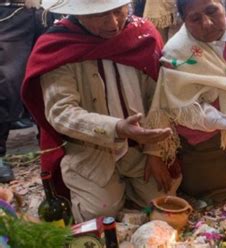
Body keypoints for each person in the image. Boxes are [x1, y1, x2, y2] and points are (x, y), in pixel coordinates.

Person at [21, 0, 180, 222]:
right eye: (99, 15)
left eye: (118, 11)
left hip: (140, 147)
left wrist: (154, 152)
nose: (113, 22)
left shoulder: (143, 35)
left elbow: (158, 98)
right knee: (98, 213)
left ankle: (127, 189)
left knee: (163, 200)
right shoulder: (58, 46)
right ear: (78, 15)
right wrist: (116, 128)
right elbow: (61, 112)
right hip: (90, 150)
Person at [145, 0, 226, 202]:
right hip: (205, 140)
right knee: (216, 193)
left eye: (212, 11)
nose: (207, 23)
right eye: (195, 18)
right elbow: (186, 109)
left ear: (223, 7)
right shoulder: (177, 53)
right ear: (184, 21)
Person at [0, 0, 46, 183]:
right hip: (9, 10)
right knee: (6, 81)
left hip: (46, 10)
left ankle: (50, 142)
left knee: (47, 73)